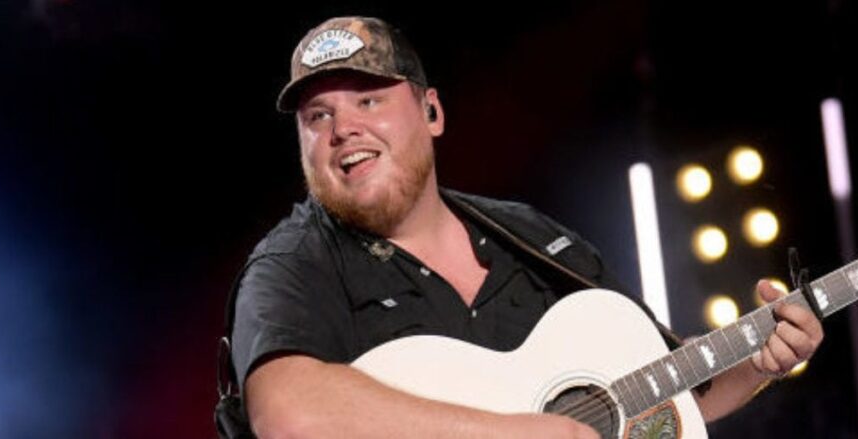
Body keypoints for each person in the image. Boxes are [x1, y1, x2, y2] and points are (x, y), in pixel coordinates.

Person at [227, 15, 824, 439]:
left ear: (431, 112)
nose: (343, 128)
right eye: (317, 116)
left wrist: (756, 361)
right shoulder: (293, 262)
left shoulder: (531, 237)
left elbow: (669, 392)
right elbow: (290, 414)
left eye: (368, 100)